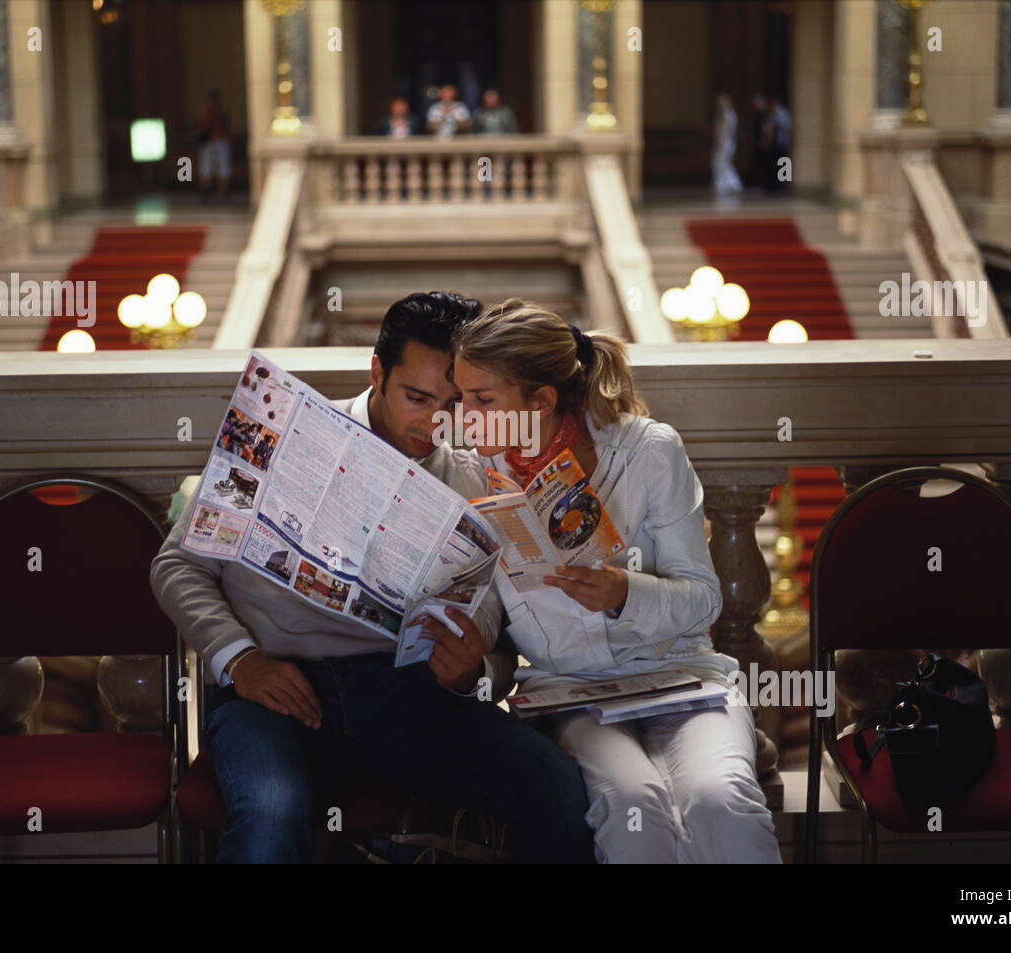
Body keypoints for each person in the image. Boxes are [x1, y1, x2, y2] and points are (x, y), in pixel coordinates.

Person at [150, 292, 594, 864]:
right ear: (377, 374)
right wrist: (240, 661)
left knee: (557, 789)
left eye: (455, 403)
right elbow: (177, 563)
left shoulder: (476, 483)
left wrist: (472, 673)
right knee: (269, 818)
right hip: (272, 690)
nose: (435, 422)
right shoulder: (284, 439)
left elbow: (500, 631)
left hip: (405, 693)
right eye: (417, 397)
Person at [450, 299, 782, 864]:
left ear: (543, 399)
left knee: (718, 799)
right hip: (569, 691)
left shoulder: (649, 450)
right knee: (633, 804)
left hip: (680, 676)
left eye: (482, 400)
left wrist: (627, 593)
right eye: (461, 398)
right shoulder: (472, 476)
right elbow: (481, 612)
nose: (463, 417)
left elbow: (704, 600)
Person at [197, 88, 232, 197]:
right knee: (210, 167)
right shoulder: (208, 111)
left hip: (219, 140)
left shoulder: (217, 110)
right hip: (212, 141)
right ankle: (209, 190)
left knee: (218, 167)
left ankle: (221, 190)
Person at [711, 94, 743, 198]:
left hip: (726, 144)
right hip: (722, 143)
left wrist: (720, 143)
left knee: (723, 164)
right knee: (720, 164)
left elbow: (724, 132)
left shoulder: (729, 115)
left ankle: (731, 185)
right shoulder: (721, 115)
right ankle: (728, 185)